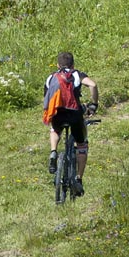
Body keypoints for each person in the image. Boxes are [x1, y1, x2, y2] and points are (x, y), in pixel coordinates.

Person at [42, 51, 98, 196]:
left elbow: (47, 99)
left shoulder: (51, 77)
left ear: (57, 65)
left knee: (55, 130)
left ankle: (53, 151)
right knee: (82, 144)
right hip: (74, 114)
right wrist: (93, 104)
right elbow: (93, 85)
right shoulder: (76, 75)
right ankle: (79, 180)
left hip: (58, 114)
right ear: (73, 64)